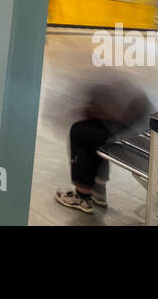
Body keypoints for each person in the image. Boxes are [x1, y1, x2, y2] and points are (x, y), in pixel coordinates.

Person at [56, 73, 151, 214]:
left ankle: (82, 196)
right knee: (97, 130)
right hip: (142, 131)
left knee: (80, 131)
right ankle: (98, 189)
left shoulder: (97, 84)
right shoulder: (113, 84)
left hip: (132, 135)